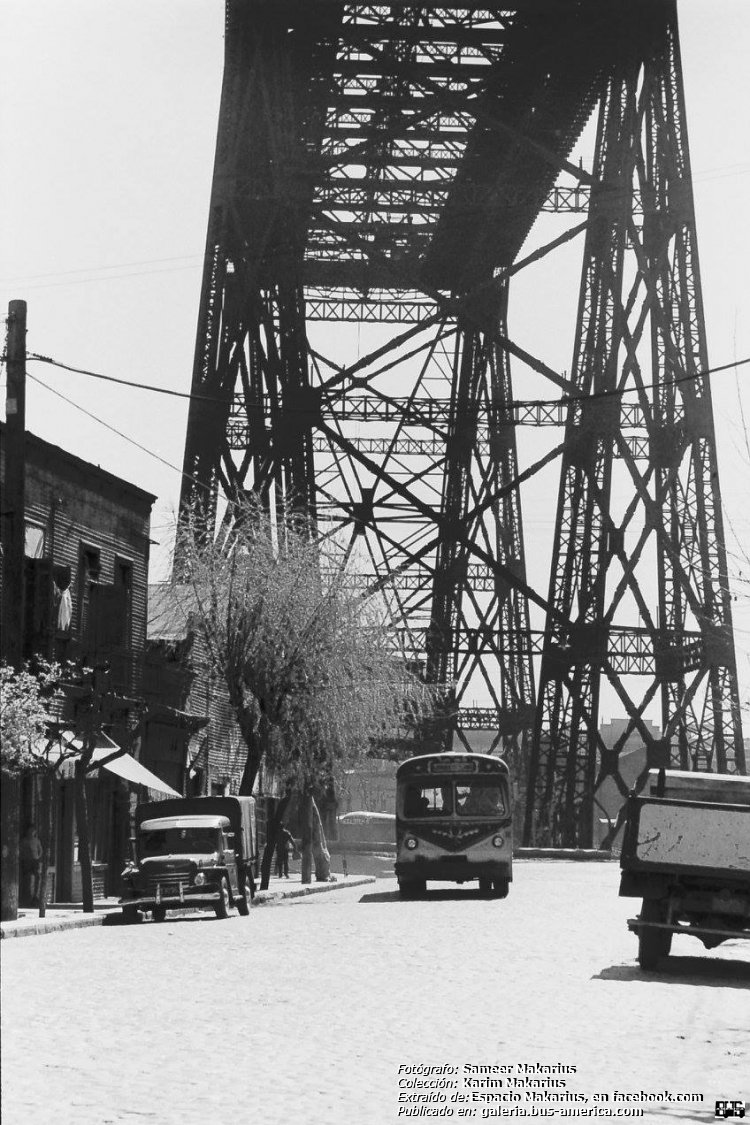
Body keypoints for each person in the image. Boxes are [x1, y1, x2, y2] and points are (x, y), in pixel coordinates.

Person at [20, 824, 43, 906]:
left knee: (37, 876)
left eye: (33, 831)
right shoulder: (24, 841)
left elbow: (40, 850)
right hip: (27, 861)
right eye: (30, 831)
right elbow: (21, 850)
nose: (31, 833)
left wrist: (37, 857)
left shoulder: (36, 840)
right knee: (27, 877)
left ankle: (35, 895)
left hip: (35, 861)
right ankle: (27, 895)